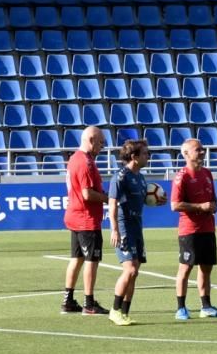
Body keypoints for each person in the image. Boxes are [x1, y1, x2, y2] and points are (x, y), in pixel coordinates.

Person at [172, 138, 217, 320]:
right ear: (186, 154)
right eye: (198, 149)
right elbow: (175, 205)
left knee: (206, 268)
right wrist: (200, 207)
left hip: (208, 228)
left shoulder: (207, 173)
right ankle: (181, 307)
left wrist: (213, 206)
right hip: (190, 230)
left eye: (202, 149)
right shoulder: (182, 177)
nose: (202, 152)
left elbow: (213, 198)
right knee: (185, 268)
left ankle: (206, 306)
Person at [107, 139, 157, 327]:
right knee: (129, 270)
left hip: (137, 226)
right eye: (145, 153)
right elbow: (112, 204)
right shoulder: (120, 176)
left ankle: (125, 312)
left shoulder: (141, 178)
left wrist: (156, 200)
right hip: (124, 226)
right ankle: (114, 310)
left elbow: (142, 199)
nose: (148, 156)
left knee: (135, 272)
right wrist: (115, 229)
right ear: (134, 156)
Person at [62, 126, 110, 315]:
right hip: (86, 218)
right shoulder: (85, 162)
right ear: (91, 140)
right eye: (101, 142)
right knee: (92, 259)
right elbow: (87, 194)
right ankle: (89, 302)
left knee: (77, 258)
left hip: (75, 215)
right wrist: (109, 199)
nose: (102, 147)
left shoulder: (75, 158)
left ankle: (68, 300)